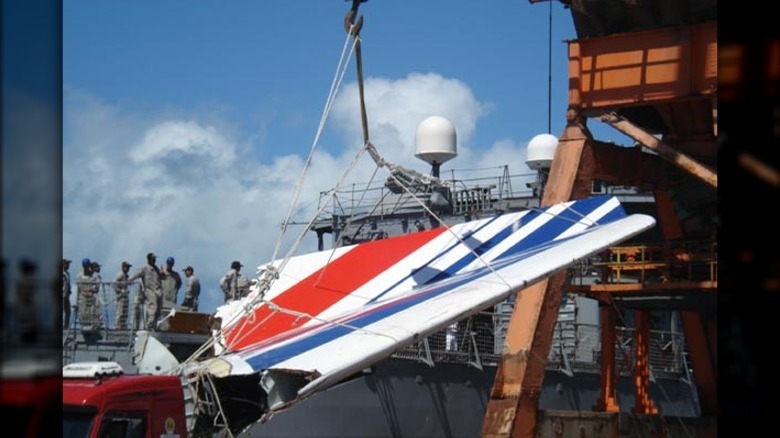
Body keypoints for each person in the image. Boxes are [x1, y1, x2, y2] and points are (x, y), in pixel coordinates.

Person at [128, 252, 163, 330]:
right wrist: (131, 278)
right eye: (153, 259)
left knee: (159, 309)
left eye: (155, 259)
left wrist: (162, 273)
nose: (154, 260)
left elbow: (162, 277)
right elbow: (137, 273)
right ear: (149, 259)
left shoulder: (156, 268)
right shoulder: (145, 268)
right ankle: (150, 325)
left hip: (158, 290)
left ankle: (155, 325)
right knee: (153, 306)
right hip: (149, 290)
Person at [76, 258, 100, 328]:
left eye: (87, 266)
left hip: (92, 297)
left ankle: (94, 325)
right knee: (83, 313)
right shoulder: (79, 275)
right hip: (83, 297)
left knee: (93, 312)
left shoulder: (94, 275)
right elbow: (79, 287)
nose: (86, 268)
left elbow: (97, 285)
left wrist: (92, 289)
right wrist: (84, 291)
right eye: (84, 266)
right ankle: (83, 325)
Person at [112, 261, 132, 329]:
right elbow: (113, 283)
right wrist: (119, 291)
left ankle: (123, 326)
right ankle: (117, 327)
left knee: (124, 313)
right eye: (127, 267)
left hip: (125, 296)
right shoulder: (120, 274)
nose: (128, 269)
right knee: (119, 312)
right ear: (123, 267)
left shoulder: (125, 275)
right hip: (120, 297)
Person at [62, 258, 72, 330]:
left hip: (66, 295)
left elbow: (67, 284)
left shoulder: (67, 273)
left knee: (68, 311)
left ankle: (66, 327)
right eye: (66, 263)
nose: (68, 265)